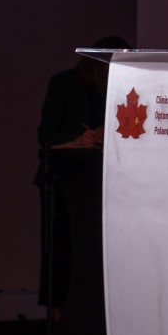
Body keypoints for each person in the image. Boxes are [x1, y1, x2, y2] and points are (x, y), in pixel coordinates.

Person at [35, 35, 129, 316]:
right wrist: (80, 138)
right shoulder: (64, 83)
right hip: (64, 181)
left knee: (99, 252)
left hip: (105, 179)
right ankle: (62, 315)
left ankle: (99, 313)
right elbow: (46, 135)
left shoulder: (123, 87)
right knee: (63, 247)